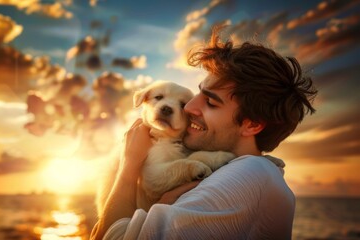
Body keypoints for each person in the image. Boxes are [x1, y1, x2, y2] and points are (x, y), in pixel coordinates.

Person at [90, 27, 317, 240]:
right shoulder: (257, 172)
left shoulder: (249, 174)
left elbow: (108, 236)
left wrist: (129, 166)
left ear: (252, 125)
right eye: (199, 93)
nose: (188, 108)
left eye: (210, 102)